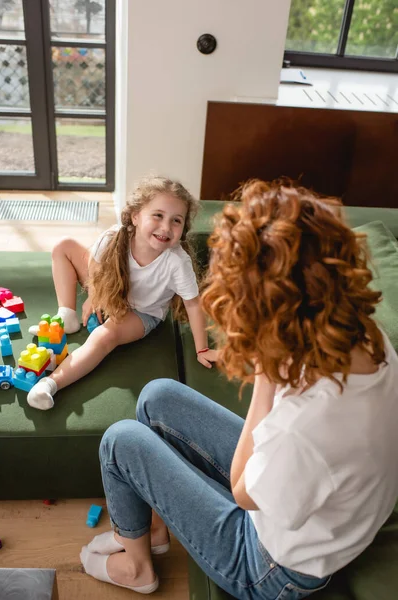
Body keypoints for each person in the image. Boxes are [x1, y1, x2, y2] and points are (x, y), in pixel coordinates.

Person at [79, 180, 398, 598]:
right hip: (318, 506)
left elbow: (244, 492)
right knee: (158, 395)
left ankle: (137, 566)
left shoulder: (304, 427)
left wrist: (266, 380)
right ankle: (152, 534)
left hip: (272, 566)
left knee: (120, 441)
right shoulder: (363, 333)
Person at [27, 176, 217, 410]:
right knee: (63, 247)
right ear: (136, 216)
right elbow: (96, 266)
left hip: (142, 313)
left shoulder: (177, 262)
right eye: (157, 215)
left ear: (183, 228)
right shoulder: (114, 236)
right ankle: (67, 316)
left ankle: (49, 384)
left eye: (176, 220)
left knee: (104, 336)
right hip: (111, 287)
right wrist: (95, 295)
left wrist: (202, 349)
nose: (166, 227)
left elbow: (194, 305)